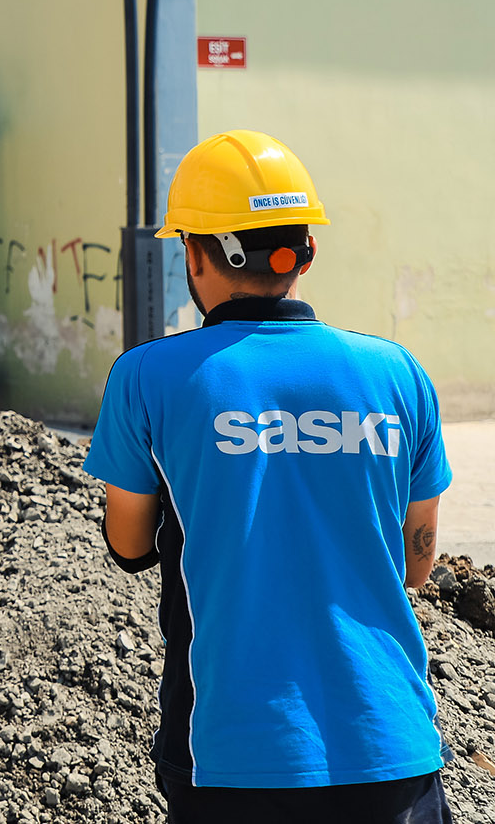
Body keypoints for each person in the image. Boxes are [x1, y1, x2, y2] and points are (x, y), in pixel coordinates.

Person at [84, 130, 453, 822]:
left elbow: (129, 544)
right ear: (306, 249)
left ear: (195, 253)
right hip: (395, 750)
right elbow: (415, 560)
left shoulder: (149, 378)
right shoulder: (399, 373)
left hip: (234, 754)